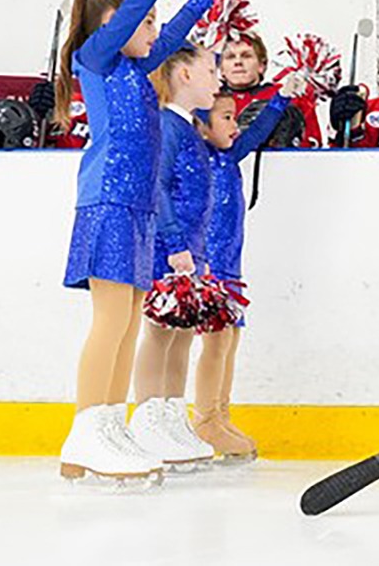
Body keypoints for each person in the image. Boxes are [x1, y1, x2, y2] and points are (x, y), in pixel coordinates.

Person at [56, 0, 214, 483]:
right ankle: (87, 427)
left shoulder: (137, 70)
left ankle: (106, 427)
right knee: (109, 320)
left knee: (126, 322)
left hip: (140, 209)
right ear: (112, 25)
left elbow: (170, 38)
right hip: (108, 202)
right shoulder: (95, 58)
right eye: (143, 22)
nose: (153, 32)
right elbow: (137, 11)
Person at [196, 72, 305, 460]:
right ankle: (205, 420)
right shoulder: (199, 160)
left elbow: (257, 132)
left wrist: (280, 98)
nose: (235, 124)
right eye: (226, 117)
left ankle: (220, 414)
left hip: (229, 268)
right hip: (207, 269)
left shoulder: (228, 156)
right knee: (215, 343)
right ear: (201, 126)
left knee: (229, 341)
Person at [128, 46, 222, 471]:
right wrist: (173, 240)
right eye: (210, 70)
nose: (217, 80)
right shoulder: (167, 125)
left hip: (190, 246)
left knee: (182, 333)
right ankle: (148, 416)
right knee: (162, 333)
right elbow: (158, 186)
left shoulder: (188, 127)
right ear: (184, 75)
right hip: (170, 247)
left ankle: (170, 413)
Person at [222, 31, 324, 148]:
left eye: (246, 56)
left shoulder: (289, 96)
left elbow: (313, 148)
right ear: (221, 68)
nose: (238, 62)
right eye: (230, 57)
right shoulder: (208, 101)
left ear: (262, 65)